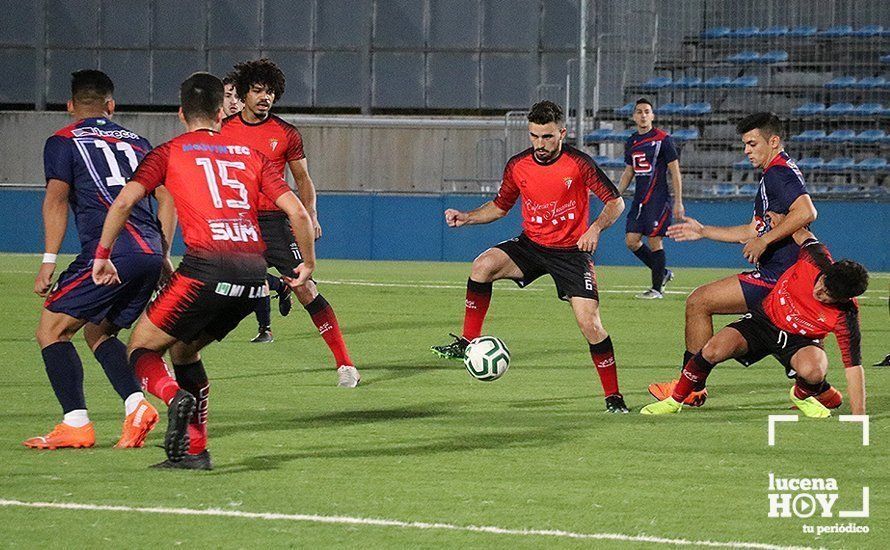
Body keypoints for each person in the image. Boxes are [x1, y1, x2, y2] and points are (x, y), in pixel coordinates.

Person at [92, 72, 317, 469]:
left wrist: (102, 254)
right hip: (253, 277)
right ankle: (196, 452)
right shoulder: (252, 156)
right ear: (220, 112)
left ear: (181, 113)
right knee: (184, 348)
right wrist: (308, 264)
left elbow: (124, 203)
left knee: (140, 349)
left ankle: (173, 396)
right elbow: (297, 210)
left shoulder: (168, 152)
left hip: (205, 268)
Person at [431, 100, 629, 413]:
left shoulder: (579, 164)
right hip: (532, 245)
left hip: (571, 254)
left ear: (563, 133)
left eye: (547, 137)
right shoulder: (518, 165)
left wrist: (595, 230)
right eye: (534, 136)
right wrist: (466, 217)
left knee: (590, 325)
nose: (539, 143)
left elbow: (615, 203)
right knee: (482, 266)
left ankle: (614, 398)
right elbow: (500, 205)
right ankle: (467, 342)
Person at [25, 70, 166, 450]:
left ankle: (76, 423)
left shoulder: (62, 140)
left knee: (51, 330)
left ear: (70, 106)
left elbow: (56, 199)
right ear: (111, 106)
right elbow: (165, 198)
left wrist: (48, 260)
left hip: (110, 253)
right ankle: (136, 405)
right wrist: (164, 254)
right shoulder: (139, 142)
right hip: (149, 252)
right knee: (98, 332)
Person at [648, 112, 818, 407]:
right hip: (786, 277)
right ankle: (811, 387)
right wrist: (704, 231)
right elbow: (752, 230)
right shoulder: (777, 172)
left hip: (780, 278)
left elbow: (807, 212)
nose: (746, 151)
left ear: (773, 141)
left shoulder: (779, 174)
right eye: (745, 144)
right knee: (787, 346)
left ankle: (690, 387)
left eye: (752, 144)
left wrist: (764, 241)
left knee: (699, 301)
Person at [222, 59, 360, 388]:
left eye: (270, 92)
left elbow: (303, 180)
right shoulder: (223, 130)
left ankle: (345, 365)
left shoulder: (286, 134)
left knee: (306, 288)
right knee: (214, 290)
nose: (264, 97)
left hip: (275, 224)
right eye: (257, 90)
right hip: (238, 222)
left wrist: (311, 215)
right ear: (243, 93)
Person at [641, 232, 868, 417]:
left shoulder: (846, 315)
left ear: (844, 299)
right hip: (763, 322)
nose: (819, 292)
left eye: (828, 295)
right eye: (822, 283)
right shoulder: (815, 257)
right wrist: (768, 232)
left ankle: (801, 395)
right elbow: (800, 229)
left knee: (815, 370)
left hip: (801, 341)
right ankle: (674, 401)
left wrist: (859, 416)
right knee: (711, 350)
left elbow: (854, 369)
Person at [616, 98, 685, 299]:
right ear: (634, 116)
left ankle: (657, 289)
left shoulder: (664, 140)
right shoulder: (632, 141)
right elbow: (629, 172)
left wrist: (678, 201)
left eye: (647, 111)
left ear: (653, 115)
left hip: (658, 199)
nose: (643, 115)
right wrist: (617, 193)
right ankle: (662, 273)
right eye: (639, 112)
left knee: (655, 240)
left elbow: (675, 172)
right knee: (631, 241)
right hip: (639, 200)